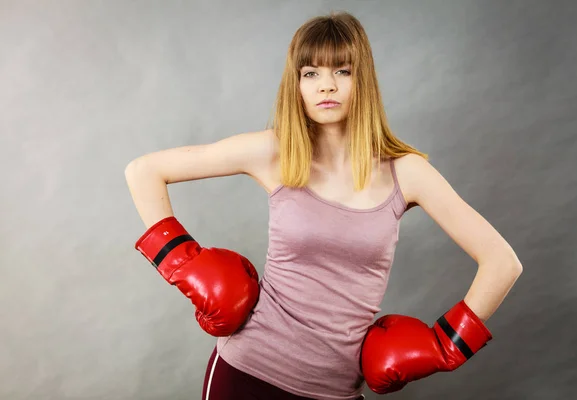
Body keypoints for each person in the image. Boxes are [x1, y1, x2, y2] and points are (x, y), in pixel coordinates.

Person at [124, 11, 523, 400]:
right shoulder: (275, 152)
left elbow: (502, 262)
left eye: (342, 71)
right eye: (310, 73)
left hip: (334, 390)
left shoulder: (407, 173)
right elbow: (144, 171)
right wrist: (185, 264)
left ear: (361, 79)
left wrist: (445, 347)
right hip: (245, 373)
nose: (326, 86)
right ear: (296, 83)